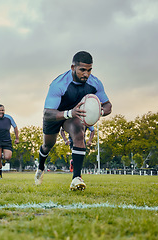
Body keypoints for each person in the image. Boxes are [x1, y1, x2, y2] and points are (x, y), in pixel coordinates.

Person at [35, 51, 112, 191]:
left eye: (89, 70)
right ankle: (40, 169)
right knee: (47, 145)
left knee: (79, 132)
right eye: (82, 70)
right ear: (73, 68)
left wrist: (99, 111)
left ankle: (76, 178)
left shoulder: (95, 83)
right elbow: (47, 114)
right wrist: (69, 113)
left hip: (74, 115)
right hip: (56, 114)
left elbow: (108, 106)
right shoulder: (59, 84)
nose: (86, 74)